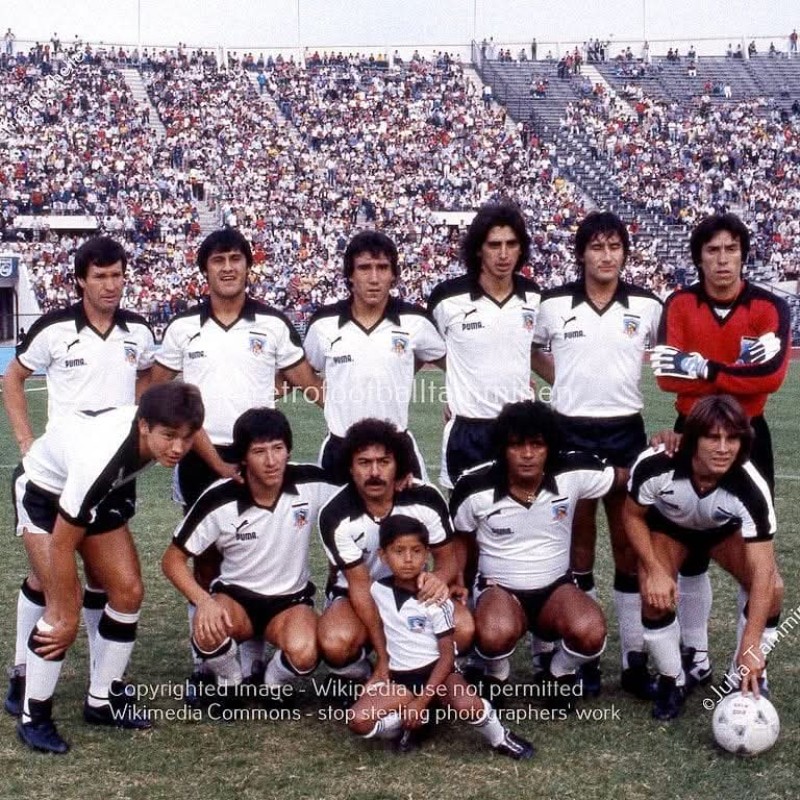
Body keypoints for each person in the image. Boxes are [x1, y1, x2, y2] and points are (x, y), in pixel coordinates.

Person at [150, 228, 323, 690]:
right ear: (204, 270)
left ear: (249, 266)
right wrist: (183, 444)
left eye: (235, 259)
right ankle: (204, 662)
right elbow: (153, 389)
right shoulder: (183, 327)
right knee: (205, 557)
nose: (228, 267)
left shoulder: (272, 324)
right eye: (218, 260)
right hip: (200, 453)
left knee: (256, 547)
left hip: (256, 450)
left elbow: (309, 383)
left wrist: (357, 423)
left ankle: (253, 657)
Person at [3, 236, 155, 720]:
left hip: (111, 472)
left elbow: (149, 379)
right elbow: (12, 378)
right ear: (80, 281)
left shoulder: (139, 331)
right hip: (59, 475)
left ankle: (100, 685)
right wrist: (25, 440)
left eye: (117, 275)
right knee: (50, 583)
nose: (111, 285)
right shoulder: (53, 329)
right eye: (100, 276)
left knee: (110, 582)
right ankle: (23, 675)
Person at [13, 382, 205, 754]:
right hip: (43, 492)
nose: (178, 448)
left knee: (128, 591)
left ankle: (102, 699)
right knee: (62, 612)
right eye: (169, 436)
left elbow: (191, 432)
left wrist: (223, 467)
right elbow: (62, 544)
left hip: (95, 492)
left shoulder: (164, 430)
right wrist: (68, 614)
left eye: (186, 438)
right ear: (144, 426)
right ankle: (33, 716)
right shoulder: (101, 459)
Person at [650, 212, 790, 689]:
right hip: (690, 432)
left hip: (750, 434)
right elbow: (667, 376)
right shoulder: (680, 303)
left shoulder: (769, 306)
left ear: (744, 255)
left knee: (756, 555)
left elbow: (770, 377)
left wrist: (703, 367)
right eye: (713, 250)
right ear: (699, 258)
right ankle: (696, 655)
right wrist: (734, 371)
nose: (723, 259)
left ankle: (748, 666)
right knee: (689, 543)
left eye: (731, 249)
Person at [530, 212, 662, 697]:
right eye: (597, 247)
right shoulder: (552, 304)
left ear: (625, 253)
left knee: (628, 544)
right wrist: (560, 380)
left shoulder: (647, 305)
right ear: (581, 253)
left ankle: (633, 659)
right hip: (571, 430)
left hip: (625, 429)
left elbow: (671, 360)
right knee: (577, 543)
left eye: (614, 246)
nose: (606, 256)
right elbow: (530, 349)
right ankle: (583, 656)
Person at [162, 408, 338, 705]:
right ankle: (231, 680)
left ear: (288, 450)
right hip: (236, 599)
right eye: (259, 452)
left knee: (306, 653)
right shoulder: (219, 497)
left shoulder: (312, 481)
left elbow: (361, 491)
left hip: (290, 602)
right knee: (208, 631)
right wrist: (204, 601)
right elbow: (172, 560)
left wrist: (405, 482)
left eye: (278, 449)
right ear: (242, 457)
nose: (271, 461)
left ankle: (272, 681)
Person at [625, 395, 783, 719]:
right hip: (670, 530)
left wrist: (751, 645)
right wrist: (654, 569)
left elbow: (764, 572)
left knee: (774, 590)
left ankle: (741, 677)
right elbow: (632, 515)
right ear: (693, 438)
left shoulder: (750, 485)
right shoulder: (657, 463)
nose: (723, 448)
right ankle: (673, 678)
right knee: (653, 593)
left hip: (721, 532)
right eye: (713, 437)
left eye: (732, 438)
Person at [450, 401, 614, 705]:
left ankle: (558, 672)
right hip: (499, 588)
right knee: (494, 632)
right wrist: (459, 583)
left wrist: (670, 448)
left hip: (556, 588)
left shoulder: (573, 471)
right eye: (516, 445)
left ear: (550, 446)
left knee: (591, 631)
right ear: (502, 448)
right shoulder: (474, 487)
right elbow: (460, 540)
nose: (527, 454)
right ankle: (496, 673)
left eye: (537, 444)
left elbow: (629, 475)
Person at [347, 515, 533, 759]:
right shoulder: (377, 590)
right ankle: (417, 719)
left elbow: (447, 657)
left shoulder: (436, 599)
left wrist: (422, 699)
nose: (408, 559)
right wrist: (384, 669)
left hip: (440, 673)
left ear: (427, 554)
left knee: (467, 706)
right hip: (402, 679)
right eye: (399, 551)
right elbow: (379, 626)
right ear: (383, 555)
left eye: (416, 551)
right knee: (358, 720)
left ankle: (500, 737)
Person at [317, 418, 466, 688]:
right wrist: (385, 658)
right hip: (356, 593)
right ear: (350, 467)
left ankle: (435, 676)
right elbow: (360, 588)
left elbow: (448, 560)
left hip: (412, 587)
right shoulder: (335, 514)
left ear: (398, 465)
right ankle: (358, 673)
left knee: (463, 628)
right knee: (336, 641)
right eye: (364, 462)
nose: (374, 472)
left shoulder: (425, 498)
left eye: (384, 462)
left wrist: (439, 579)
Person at [303, 230, 445, 481]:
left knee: (414, 508)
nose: (374, 278)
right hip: (340, 447)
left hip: (396, 448)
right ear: (350, 274)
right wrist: (332, 402)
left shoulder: (415, 320)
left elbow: (451, 362)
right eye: (364, 268)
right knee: (333, 508)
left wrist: (455, 398)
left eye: (382, 267)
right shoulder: (323, 323)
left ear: (394, 274)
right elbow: (302, 372)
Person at [428, 201, 541, 489]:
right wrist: (460, 376)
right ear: (479, 248)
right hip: (467, 430)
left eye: (511, 244)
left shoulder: (534, 296)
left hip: (519, 431)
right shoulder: (446, 298)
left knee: (524, 511)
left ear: (521, 248)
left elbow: (527, 348)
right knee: (464, 514)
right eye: (494, 245)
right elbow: (425, 348)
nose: (503, 254)